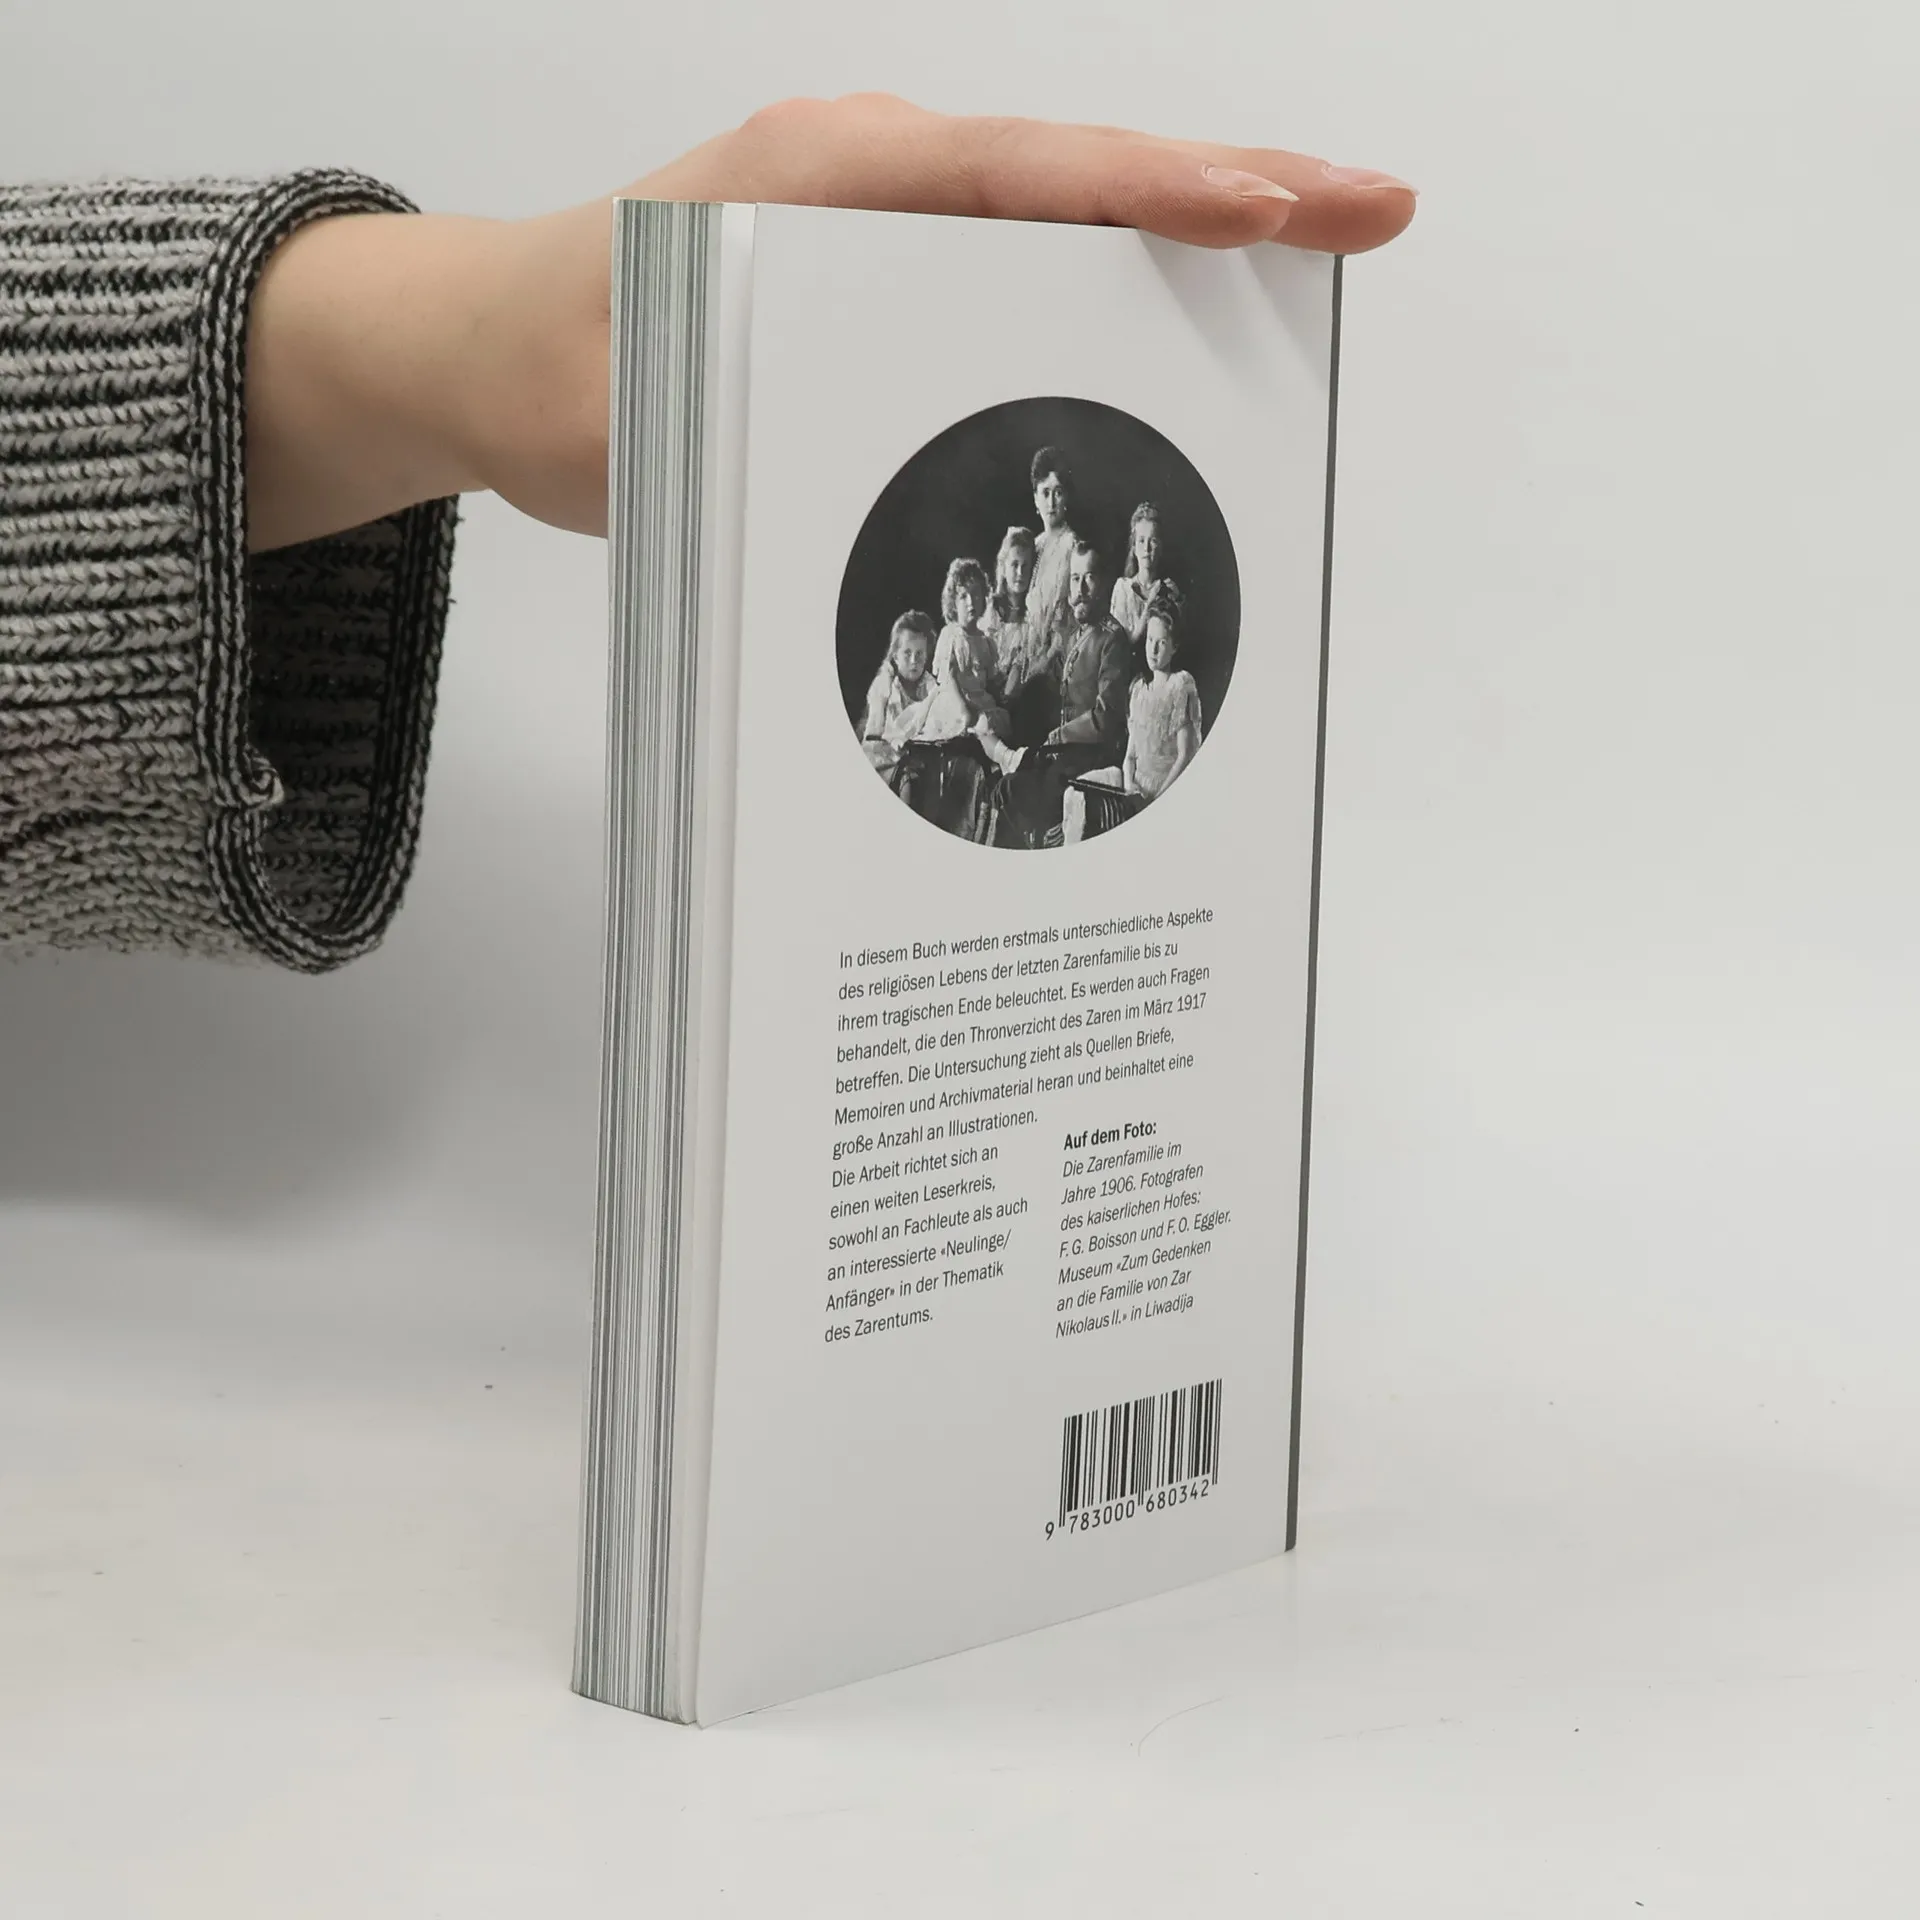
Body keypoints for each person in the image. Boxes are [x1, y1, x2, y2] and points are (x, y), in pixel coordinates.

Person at [0, 96, 1415, 963]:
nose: (1048, 520)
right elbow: (984, 671)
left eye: (1060, 510)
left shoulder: (1103, 595)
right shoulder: (985, 609)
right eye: (1032, 509)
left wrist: (465, 353)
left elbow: (1080, 667)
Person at [991, 542, 1135, 848]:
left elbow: (1106, 717)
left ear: (1104, 583)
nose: (1080, 589)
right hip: (1063, 756)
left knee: (1012, 790)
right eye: (1074, 578)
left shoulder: (1112, 639)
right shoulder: (1075, 634)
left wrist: (1058, 736)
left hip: (1090, 759)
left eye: (1089, 578)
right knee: (1004, 787)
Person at [1062, 591, 1203, 843]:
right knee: (1075, 792)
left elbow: (1186, 756)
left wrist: (1158, 801)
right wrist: (1129, 789)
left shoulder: (1181, 685)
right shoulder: (1139, 690)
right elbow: (1130, 756)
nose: (1153, 649)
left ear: (1174, 647)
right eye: (1150, 640)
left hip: (1164, 789)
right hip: (1133, 787)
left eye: (1162, 642)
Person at [931, 558, 1007, 733]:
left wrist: (1000, 699)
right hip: (956, 702)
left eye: (976, 594)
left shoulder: (985, 641)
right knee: (979, 724)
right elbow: (949, 678)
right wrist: (963, 709)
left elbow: (990, 682)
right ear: (953, 603)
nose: (971, 602)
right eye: (963, 596)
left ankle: (998, 748)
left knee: (995, 720)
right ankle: (999, 749)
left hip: (980, 702)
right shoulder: (951, 635)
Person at [860, 612, 941, 776]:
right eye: (907, 653)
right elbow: (872, 740)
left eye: (919, 653)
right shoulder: (884, 687)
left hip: (921, 758)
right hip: (885, 761)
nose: (914, 661)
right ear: (895, 656)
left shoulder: (931, 686)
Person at [1110, 501, 1176, 647]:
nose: (1146, 548)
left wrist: (1178, 602)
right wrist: (1150, 602)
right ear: (1133, 547)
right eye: (1141, 541)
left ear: (1160, 547)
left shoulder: (1169, 590)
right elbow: (1123, 646)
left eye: (1153, 541)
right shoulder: (1123, 589)